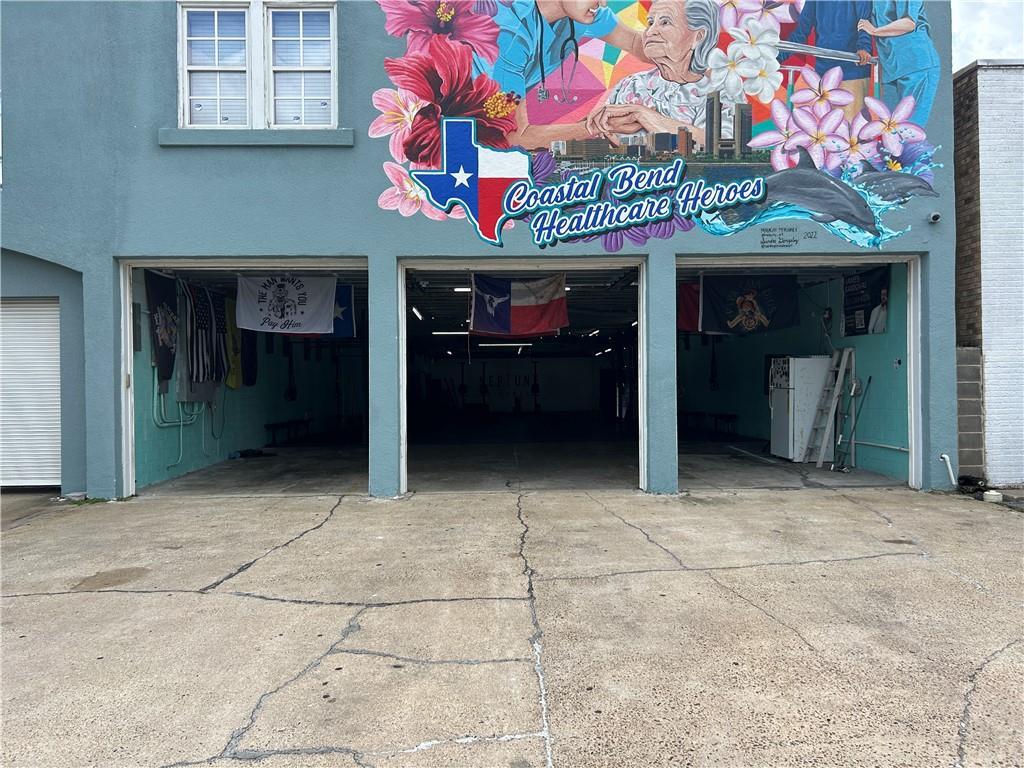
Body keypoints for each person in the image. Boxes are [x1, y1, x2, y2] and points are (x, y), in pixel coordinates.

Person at [474, 0, 649, 148]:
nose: (603, 3)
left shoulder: (581, 12)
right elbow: (512, 136)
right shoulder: (508, 37)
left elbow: (635, 43)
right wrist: (600, 125)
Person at [600, 0, 726, 148]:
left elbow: (720, 146)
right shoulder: (631, 85)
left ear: (698, 36)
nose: (650, 32)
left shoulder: (719, 93)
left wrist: (643, 115)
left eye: (665, 22)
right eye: (650, 22)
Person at [784, 0, 873, 120]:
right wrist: (777, 57)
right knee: (825, 127)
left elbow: (865, 21)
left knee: (852, 126)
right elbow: (801, 31)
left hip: (852, 70)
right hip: (823, 73)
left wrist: (864, 48)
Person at [857, 1, 940, 125]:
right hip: (890, 70)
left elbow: (909, 23)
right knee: (890, 129)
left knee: (910, 129)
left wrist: (875, 31)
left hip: (916, 65)